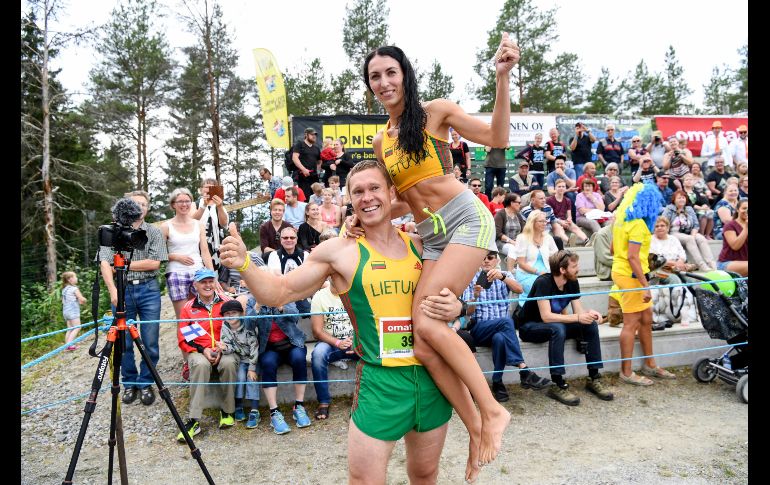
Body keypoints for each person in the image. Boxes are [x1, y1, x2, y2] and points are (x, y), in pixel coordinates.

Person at [220, 161, 475, 483]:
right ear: (349, 200)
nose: (367, 197)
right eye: (358, 192)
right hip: (381, 383)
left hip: (434, 379)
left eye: (374, 188)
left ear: (391, 192)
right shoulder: (339, 251)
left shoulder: (422, 244)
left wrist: (458, 306)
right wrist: (244, 262)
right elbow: (279, 292)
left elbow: (457, 287)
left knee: (425, 475)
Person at [354, 40, 520, 468]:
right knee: (422, 339)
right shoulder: (381, 141)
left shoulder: (436, 112)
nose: (384, 82)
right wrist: (362, 216)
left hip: (465, 219)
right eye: (375, 76)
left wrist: (501, 78)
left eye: (391, 72)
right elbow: (401, 200)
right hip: (431, 237)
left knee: (427, 320)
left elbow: (498, 137)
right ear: (370, 85)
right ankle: (476, 423)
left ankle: (493, 409)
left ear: (404, 73)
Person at [516, 251, 614, 406]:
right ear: (562, 270)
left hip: (554, 325)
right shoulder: (543, 282)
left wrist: (590, 313)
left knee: (590, 325)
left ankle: (594, 378)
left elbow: (578, 313)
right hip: (530, 327)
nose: (578, 269)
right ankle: (558, 384)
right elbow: (546, 317)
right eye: (574, 266)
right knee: (557, 328)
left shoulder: (572, 281)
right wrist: (577, 318)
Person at [99, 190, 168, 407]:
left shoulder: (155, 232)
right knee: (124, 342)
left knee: (149, 340)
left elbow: (154, 263)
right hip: (122, 288)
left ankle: (146, 382)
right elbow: (104, 262)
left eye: (143, 204)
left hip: (148, 289)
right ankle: (129, 383)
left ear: (147, 208)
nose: (139, 208)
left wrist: (121, 265)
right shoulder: (113, 231)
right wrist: (113, 289)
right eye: (135, 204)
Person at [460, 250, 552, 402]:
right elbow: (467, 312)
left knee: (500, 339)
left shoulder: (505, 275)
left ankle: (497, 383)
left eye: (490, 258)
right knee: (506, 322)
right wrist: (475, 296)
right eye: (483, 258)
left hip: (502, 330)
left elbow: (520, 290)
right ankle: (523, 369)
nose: (486, 261)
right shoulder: (470, 278)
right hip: (479, 328)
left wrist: (502, 277)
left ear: (497, 260)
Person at [611, 182, 676, 387]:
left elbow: (614, 249)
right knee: (631, 323)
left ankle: (650, 363)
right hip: (631, 276)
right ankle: (626, 372)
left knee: (646, 318)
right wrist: (644, 285)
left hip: (625, 272)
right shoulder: (638, 224)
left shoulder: (620, 220)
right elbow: (632, 257)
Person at [176, 268, 238, 440]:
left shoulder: (226, 301)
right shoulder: (188, 308)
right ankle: (194, 420)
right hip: (199, 350)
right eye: (203, 282)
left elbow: (237, 328)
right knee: (200, 364)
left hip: (224, 348)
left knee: (228, 363)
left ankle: (227, 411)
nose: (208, 285)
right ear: (195, 285)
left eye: (211, 281)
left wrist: (222, 348)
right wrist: (203, 350)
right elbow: (184, 337)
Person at [310, 258, 360, 420]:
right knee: (317, 355)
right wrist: (338, 343)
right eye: (332, 274)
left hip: (355, 341)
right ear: (328, 276)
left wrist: (356, 340)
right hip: (330, 344)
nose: (336, 276)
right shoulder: (319, 297)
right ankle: (323, 402)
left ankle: (363, 401)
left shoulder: (355, 293)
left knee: (371, 351)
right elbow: (317, 331)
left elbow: (364, 322)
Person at [161, 188, 215, 320]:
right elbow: (159, 253)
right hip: (176, 273)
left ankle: (201, 341)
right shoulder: (166, 226)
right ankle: (184, 341)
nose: (184, 204)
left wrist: (212, 275)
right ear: (173, 204)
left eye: (187, 201)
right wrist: (176, 257)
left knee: (201, 315)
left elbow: (205, 251)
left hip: (199, 273)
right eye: (180, 201)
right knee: (184, 318)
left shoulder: (199, 225)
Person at [649, 217, 699, 330]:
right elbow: (656, 259)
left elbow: (682, 254)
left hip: (676, 268)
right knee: (675, 281)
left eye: (662, 225)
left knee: (692, 281)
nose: (659, 228)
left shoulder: (673, 239)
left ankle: (695, 310)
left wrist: (680, 262)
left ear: (667, 227)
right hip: (658, 271)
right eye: (656, 226)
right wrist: (673, 263)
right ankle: (678, 312)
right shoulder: (650, 240)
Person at [218, 299, 261, 429]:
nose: (230, 316)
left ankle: (254, 410)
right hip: (241, 359)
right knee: (240, 377)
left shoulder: (248, 326)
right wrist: (225, 348)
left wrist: (252, 368)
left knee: (251, 378)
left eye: (234, 312)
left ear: (241, 314)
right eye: (227, 313)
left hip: (254, 359)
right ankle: (238, 406)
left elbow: (254, 347)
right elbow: (230, 347)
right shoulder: (225, 327)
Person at [662, 190, 716, 271]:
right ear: (674, 200)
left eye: (683, 198)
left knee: (701, 238)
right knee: (689, 239)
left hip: (689, 232)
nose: (681, 200)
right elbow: (664, 222)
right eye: (679, 198)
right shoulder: (669, 209)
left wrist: (693, 234)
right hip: (674, 233)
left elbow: (696, 224)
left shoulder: (689, 209)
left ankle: (712, 264)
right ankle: (701, 265)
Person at [514, 210, 559, 305]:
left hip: (547, 272)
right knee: (541, 284)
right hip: (527, 274)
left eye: (545, 221)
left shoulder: (548, 238)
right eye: (541, 221)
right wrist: (538, 272)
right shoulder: (522, 238)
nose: (544, 223)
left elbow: (556, 257)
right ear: (532, 222)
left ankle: (560, 314)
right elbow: (521, 263)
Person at [266, 226, 311, 315]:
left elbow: (307, 277)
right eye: (285, 238)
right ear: (281, 240)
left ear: (296, 239)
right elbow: (277, 277)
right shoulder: (274, 255)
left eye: (292, 237)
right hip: (282, 294)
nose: (289, 240)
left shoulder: (305, 255)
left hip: (302, 292)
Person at [192, 178, 229, 278]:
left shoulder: (220, 205)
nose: (208, 189)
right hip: (199, 244)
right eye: (206, 187)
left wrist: (220, 207)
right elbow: (192, 221)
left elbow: (224, 223)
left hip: (217, 244)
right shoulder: (195, 204)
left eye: (211, 187)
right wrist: (203, 205)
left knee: (217, 273)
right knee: (201, 274)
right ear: (200, 189)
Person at [546, 179, 589, 245]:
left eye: (563, 186)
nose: (561, 188)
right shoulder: (549, 200)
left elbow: (569, 215)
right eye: (559, 186)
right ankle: (569, 241)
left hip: (563, 220)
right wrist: (560, 222)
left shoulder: (567, 200)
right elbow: (550, 216)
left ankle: (586, 240)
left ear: (565, 188)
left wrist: (569, 219)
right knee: (558, 227)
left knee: (573, 225)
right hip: (553, 221)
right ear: (555, 188)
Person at [494, 193, 525, 271]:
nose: (520, 205)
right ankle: (510, 272)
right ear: (512, 203)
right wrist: (511, 241)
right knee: (512, 248)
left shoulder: (518, 215)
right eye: (519, 202)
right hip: (502, 243)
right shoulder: (500, 214)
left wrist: (519, 240)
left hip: (516, 242)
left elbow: (524, 231)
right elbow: (497, 233)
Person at [717, 199, 748, 276]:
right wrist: (746, 228)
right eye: (744, 208)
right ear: (737, 210)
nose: (747, 211)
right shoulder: (730, 226)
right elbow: (735, 246)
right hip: (727, 263)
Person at [291, 127, 322, 197]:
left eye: (315, 135)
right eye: (312, 134)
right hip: (303, 176)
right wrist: (303, 169)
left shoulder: (316, 148)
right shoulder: (300, 144)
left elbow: (319, 161)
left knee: (316, 197)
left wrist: (318, 171)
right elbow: (294, 158)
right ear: (306, 135)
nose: (314, 136)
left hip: (314, 177)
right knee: (305, 198)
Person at [682, 173, 714, 239]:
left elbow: (703, 200)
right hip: (688, 210)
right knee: (703, 214)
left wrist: (705, 205)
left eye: (691, 180)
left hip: (699, 209)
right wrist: (700, 208)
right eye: (687, 180)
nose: (689, 181)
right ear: (683, 183)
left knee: (711, 212)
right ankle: (701, 234)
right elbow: (687, 203)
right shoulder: (682, 192)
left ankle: (707, 235)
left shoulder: (695, 192)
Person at [61, 271, 87, 351]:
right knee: (78, 327)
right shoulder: (74, 288)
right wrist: (84, 300)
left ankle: (67, 345)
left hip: (66, 311)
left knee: (70, 328)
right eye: (75, 277)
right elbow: (81, 299)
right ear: (70, 279)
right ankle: (69, 344)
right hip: (73, 311)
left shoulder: (64, 289)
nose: (76, 278)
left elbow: (64, 301)